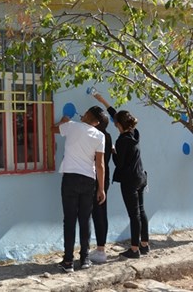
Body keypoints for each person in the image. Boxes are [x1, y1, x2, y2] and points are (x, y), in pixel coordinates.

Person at [52, 106, 108, 273]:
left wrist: (63, 121)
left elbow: (52, 129)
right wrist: (101, 188)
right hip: (88, 180)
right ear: (97, 122)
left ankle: (68, 261)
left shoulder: (71, 126)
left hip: (70, 178)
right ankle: (84, 259)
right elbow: (100, 165)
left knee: (69, 220)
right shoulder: (100, 136)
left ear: (86, 115)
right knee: (85, 219)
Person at [112, 110, 149, 259]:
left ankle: (134, 249)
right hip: (141, 177)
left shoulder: (121, 141)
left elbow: (119, 164)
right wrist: (104, 102)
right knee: (141, 211)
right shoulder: (135, 134)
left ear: (119, 124)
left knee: (134, 215)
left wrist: (113, 151)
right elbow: (120, 117)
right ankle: (144, 244)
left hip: (129, 181)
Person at [88, 91, 113, 263]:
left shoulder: (96, 136)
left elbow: (98, 163)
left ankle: (101, 250)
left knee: (98, 213)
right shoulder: (108, 136)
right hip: (103, 176)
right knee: (101, 212)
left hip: (98, 176)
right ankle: (100, 248)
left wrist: (100, 187)